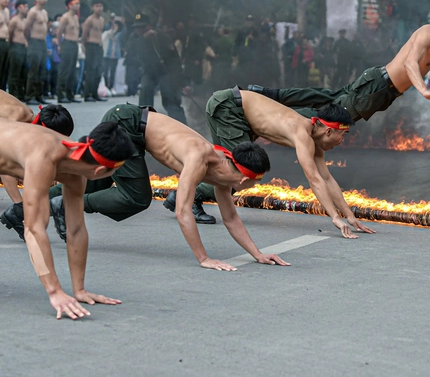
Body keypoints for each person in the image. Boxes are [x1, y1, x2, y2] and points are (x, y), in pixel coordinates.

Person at [39, 103, 288, 270]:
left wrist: (258, 254)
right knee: (136, 197)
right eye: (257, 182)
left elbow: (231, 218)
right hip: (126, 123)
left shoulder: (224, 175)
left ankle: (20, 213)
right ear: (245, 180)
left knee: (93, 183)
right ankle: (64, 204)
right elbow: (182, 211)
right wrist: (204, 259)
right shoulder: (200, 158)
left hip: (136, 128)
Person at [165, 90, 375, 239]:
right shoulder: (301, 132)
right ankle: (187, 198)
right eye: (343, 135)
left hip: (238, 111)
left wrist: (349, 215)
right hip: (228, 107)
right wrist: (335, 218)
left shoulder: (314, 137)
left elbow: (326, 177)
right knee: (240, 171)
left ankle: (186, 195)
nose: (342, 141)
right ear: (328, 130)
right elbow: (313, 179)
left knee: (237, 170)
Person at [248, 9, 430, 122]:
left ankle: (265, 94)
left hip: (385, 91)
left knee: (326, 97)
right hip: (378, 84)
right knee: (330, 118)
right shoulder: (427, 33)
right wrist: (423, 90)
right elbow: (411, 63)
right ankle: (266, 115)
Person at [0, 120, 135, 319]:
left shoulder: (75, 163)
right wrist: (55, 292)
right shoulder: (44, 157)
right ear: (99, 171)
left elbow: (76, 229)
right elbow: (33, 229)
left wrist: (78, 290)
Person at [0, 98, 74, 237]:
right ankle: (18, 209)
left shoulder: (28, 119)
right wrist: (19, 203)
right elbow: (4, 164)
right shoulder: (16, 119)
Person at [127, 13, 186, 124]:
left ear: (149, 26)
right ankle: (143, 124)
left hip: (165, 71)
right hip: (148, 72)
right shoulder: (135, 38)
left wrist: (181, 81)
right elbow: (131, 52)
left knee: (170, 99)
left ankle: (182, 125)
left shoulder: (162, 37)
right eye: (137, 27)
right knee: (145, 90)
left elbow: (174, 60)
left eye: (142, 27)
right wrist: (144, 39)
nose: (139, 30)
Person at [24, 0, 50, 105]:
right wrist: (29, 40)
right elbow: (26, 28)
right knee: (33, 71)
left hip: (42, 43)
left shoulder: (44, 12)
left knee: (42, 70)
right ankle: (30, 96)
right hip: (34, 41)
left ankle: (39, 95)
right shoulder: (32, 11)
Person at [56, 0, 83, 103]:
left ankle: (70, 94)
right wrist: (59, 45)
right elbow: (59, 32)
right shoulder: (65, 17)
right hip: (67, 43)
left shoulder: (75, 17)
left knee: (72, 70)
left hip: (75, 44)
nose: (78, 6)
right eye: (75, 4)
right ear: (70, 5)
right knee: (65, 70)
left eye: (78, 3)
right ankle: (61, 95)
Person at [81, 0, 108, 102]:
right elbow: (84, 34)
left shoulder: (102, 20)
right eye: (97, 6)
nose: (99, 8)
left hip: (99, 46)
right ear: (93, 7)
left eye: (101, 6)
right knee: (90, 71)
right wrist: (85, 46)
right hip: (91, 45)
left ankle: (94, 93)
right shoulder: (89, 20)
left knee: (98, 71)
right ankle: (87, 94)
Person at [7, 0, 28, 100]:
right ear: (18, 7)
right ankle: (13, 95)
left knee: (23, 73)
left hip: (23, 48)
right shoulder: (14, 20)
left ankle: (20, 94)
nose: (26, 8)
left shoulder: (25, 21)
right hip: (15, 46)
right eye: (24, 6)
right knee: (14, 73)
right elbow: (9, 34)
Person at [101, 18, 124, 93]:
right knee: (105, 71)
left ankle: (111, 86)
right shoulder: (106, 34)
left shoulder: (119, 35)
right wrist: (113, 26)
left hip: (115, 56)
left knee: (113, 72)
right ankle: (106, 86)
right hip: (107, 55)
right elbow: (109, 34)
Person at [0, 0, 11, 91]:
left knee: (5, 70)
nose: (6, 0)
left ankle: (2, 91)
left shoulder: (7, 11)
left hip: (6, 42)